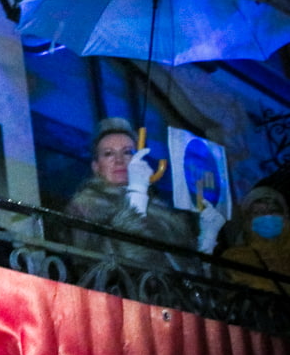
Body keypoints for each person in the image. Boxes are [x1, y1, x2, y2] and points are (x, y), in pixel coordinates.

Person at [64, 117, 224, 275]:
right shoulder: (85, 206)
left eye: (127, 152)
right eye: (108, 154)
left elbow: (189, 272)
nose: (119, 160)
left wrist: (207, 238)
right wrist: (137, 193)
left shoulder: (163, 210)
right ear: (96, 167)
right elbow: (105, 267)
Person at [222, 186, 290, 294]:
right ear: (247, 221)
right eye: (258, 212)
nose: (267, 215)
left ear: (285, 216)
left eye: (273, 211)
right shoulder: (236, 256)